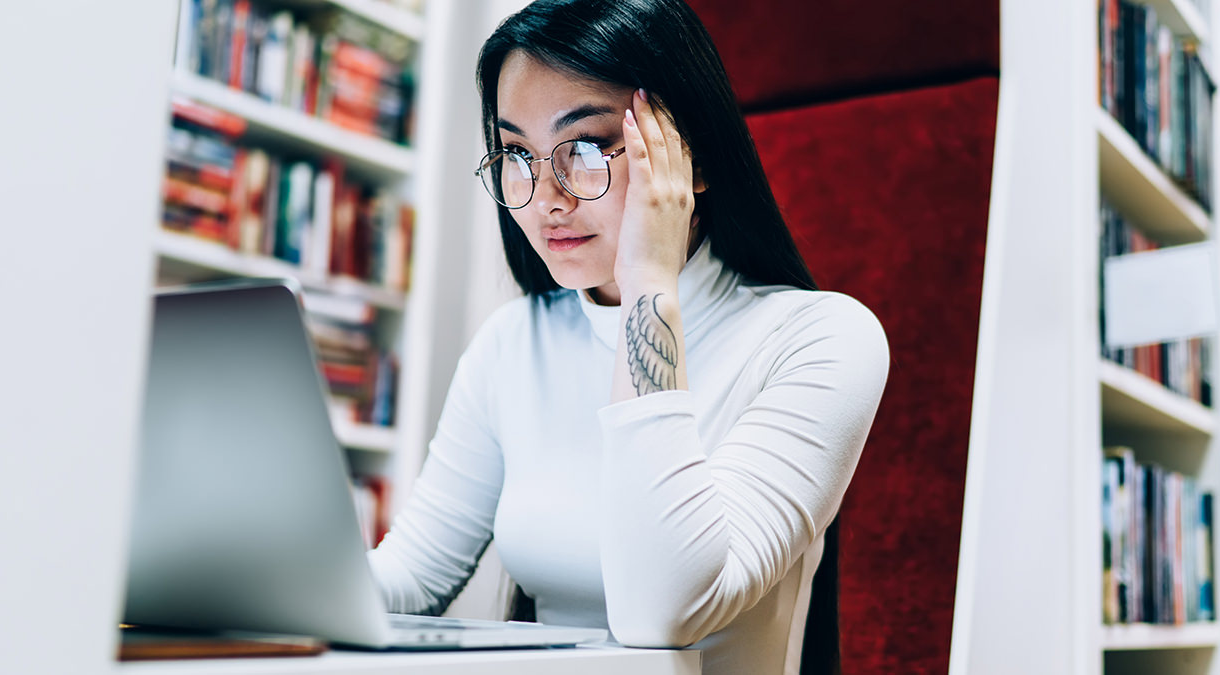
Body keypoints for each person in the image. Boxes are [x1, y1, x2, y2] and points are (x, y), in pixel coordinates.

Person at [366, 1, 890, 673]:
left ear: (689, 159)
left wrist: (648, 277)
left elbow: (663, 610)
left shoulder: (821, 338)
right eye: (517, 153)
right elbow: (406, 578)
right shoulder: (512, 343)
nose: (545, 196)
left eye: (585, 148)